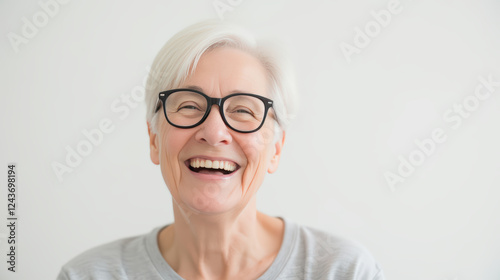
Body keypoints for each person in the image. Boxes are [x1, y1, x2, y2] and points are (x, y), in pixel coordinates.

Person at [57, 20, 385, 280]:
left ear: (276, 149)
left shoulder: (344, 272)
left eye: (243, 110)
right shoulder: (89, 275)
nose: (214, 133)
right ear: (154, 139)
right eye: (188, 105)